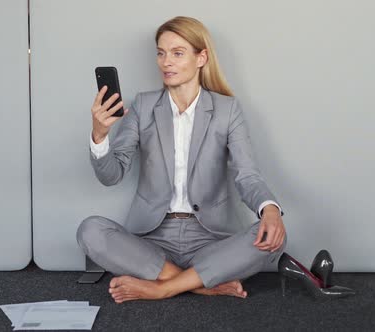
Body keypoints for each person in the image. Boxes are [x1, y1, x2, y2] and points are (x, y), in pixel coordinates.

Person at [76, 16, 287, 304]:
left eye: (177, 53)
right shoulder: (143, 106)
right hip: (151, 239)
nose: (166, 62)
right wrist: (100, 136)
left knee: (274, 236)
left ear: (201, 58)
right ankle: (201, 284)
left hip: (210, 239)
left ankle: (162, 287)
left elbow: (247, 175)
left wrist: (270, 210)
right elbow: (111, 175)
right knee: (90, 230)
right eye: (161, 53)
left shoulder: (227, 110)